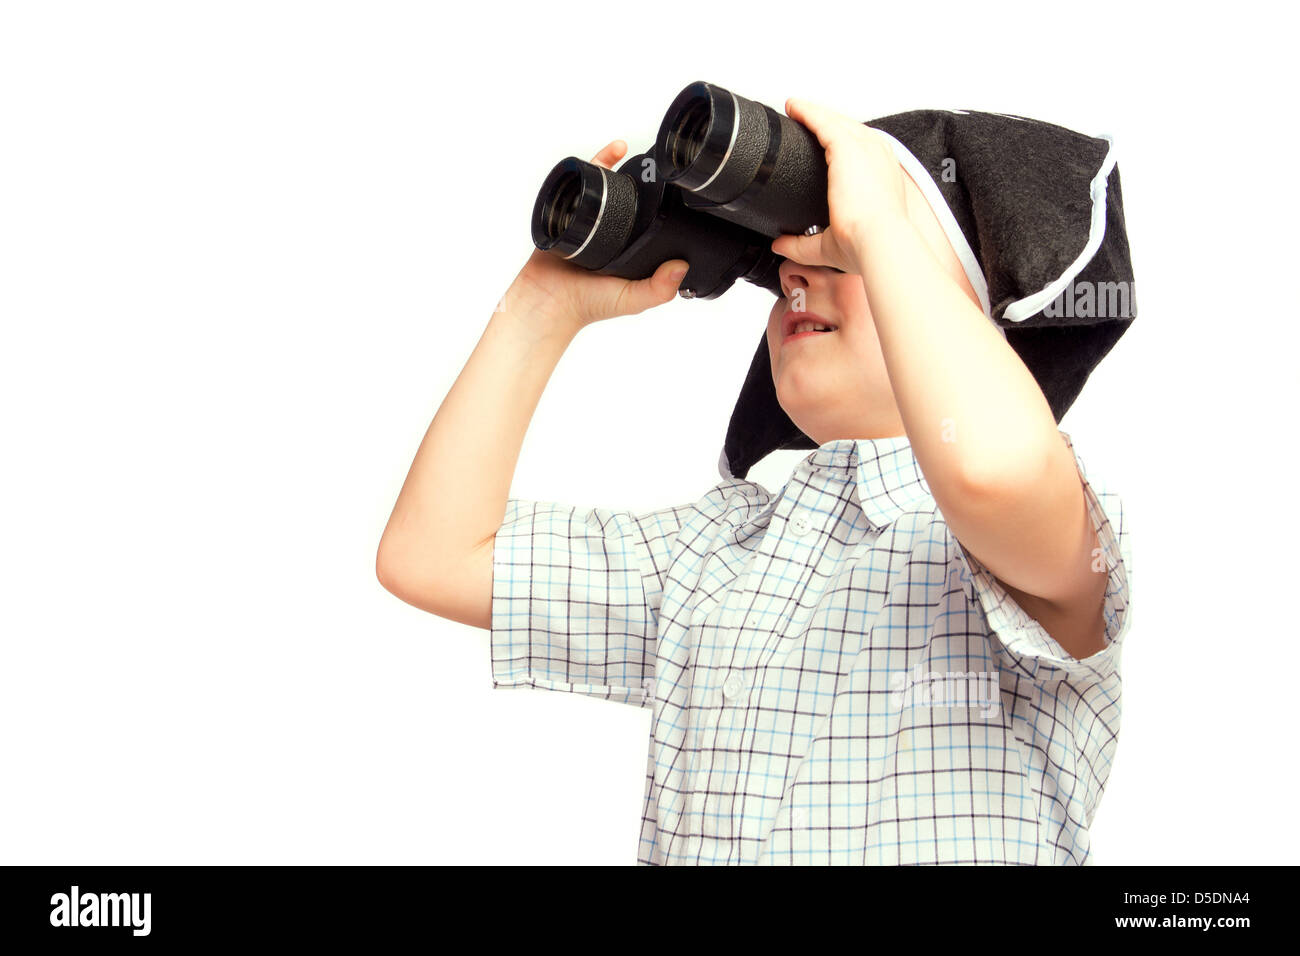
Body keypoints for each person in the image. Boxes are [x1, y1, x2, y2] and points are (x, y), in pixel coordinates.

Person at [376, 97, 1133, 865]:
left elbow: (990, 470)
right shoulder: (714, 553)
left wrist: (880, 226)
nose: (799, 279)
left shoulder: (1046, 535)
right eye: (787, 270)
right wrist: (542, 307)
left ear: (977, 316)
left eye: (844, 260)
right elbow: (431, 555)